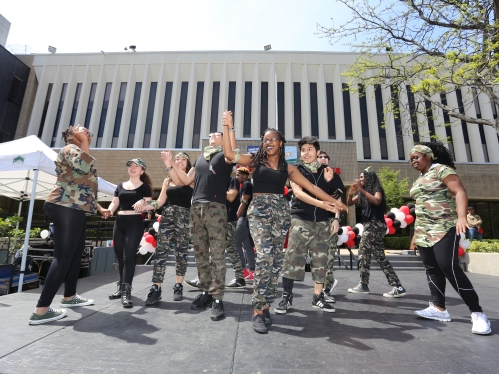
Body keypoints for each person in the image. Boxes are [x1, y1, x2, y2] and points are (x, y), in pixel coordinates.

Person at [222, 111, 346, 334]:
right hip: (259, 211)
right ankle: (258, 310)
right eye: (265, 139)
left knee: (276, 261)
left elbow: (313, 188)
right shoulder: (254, 161)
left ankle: (267, 304)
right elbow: (230, 154)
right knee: (265, 257)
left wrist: (333, 204)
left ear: (281, 143)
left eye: (272, 139)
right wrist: (228, 127)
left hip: (280, 213)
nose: (268, 142)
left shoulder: (288, 168)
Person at [29, 125, 109, 325]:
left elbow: (80, 183)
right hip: (66, 206)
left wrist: (98, 207)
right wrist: (82, 141)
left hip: (74, 206)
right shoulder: (70, 148)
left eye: (88, 132)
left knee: (75, 252)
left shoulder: (77, 150)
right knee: (64, 257)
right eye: (82, 130)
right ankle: (41, 310)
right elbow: (83, 167)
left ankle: (70, 296)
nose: (87, 132)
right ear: (71, 135)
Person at [409, 142, 491, 335]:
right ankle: (439, 308)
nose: (413, 161)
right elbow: (421, 207)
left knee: (448, 267)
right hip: (423, 230)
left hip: (443, 226)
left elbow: (460, 192)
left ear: (429, 156)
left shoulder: (441, 170)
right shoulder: (420, 178)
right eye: (411, 159)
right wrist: (415, 235)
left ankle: (477, 313)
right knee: (431, 268)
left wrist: (462, 217)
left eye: (417, 157)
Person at [161, 130, 234, 322]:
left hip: (216, 208)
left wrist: (228, 128)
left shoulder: (225, 156)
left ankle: (217, 298)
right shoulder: (201, 158)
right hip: (196, 208)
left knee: (217, 254)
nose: (212, 136)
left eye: (216, 135)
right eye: (210, 135)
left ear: (223, 139)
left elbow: (231, 150)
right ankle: (206, 292)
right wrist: (169, 164)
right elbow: (183, 180)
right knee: (200, 253)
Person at [275, 137, 342, 315]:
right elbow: (298, 193)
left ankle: (317, 298)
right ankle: (286, 298)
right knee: (292, 259)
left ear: (318, 152)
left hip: (322, 222)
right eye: (303, 150)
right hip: (300, 219)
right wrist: (321, 203)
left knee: (321, 261)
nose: (306, 153)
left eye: (310, 149)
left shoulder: (328, 172)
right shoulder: (295, 170)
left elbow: (336, 199)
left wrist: (336, 218)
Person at [141, 152, 193, 306]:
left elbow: (185, 184)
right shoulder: (167, 180)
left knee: (181, 252)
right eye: (177, 159)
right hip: (168, 217)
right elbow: (160, 201)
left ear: (188, 163)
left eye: (183, 159)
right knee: (161, 252)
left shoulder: (191, 178)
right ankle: (156, 288)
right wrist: (145, 206)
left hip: (184, 218)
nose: (180, 161)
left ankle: (178, 285)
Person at [347, 168, 407, 298]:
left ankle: (363, 285)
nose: (360, 179)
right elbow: (349, 203)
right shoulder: (362, 193)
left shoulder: (376, 189)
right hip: (370, 225)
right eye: (360, 177)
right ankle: (398, 286)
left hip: (375, 225)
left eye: (362, 177)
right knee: (380, 257)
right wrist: (351, 193)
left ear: (369, 178)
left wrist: (361, 189)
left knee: (363, 253)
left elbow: (377, 201)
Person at [106, 158, 153, 308]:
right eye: (131, 166)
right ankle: (121, 288)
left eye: (136, 166)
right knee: (119, 255)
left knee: (129, 257)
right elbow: (115, 202)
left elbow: (149, 203)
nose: (132, 168)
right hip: (119, 222)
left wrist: (143, 202)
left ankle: (127, 291)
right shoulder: (120, 186)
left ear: (142, 170)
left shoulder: (144, 187)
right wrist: (110, 210)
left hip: (134, 223)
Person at [317, 151, 345, 303]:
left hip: (329, 221)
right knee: (318, 259)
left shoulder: (335, 176)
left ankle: (326, 289)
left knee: (328, 257)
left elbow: (338, 199)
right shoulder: (312, 176)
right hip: (314, 222)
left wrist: (336, 219)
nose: (322, 158)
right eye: (320, 156)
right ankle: (319, 289)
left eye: (325, 157)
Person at [234, 167, 256, 282]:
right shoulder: (244, 185)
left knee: (235, 242)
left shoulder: (247, 184)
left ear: (245, 175)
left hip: (244, 218)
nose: (236, 177)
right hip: (247, 218)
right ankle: (252, 271)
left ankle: (243, 269)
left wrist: (236, 216)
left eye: (238, 175)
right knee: (247, 246)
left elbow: (244, 203)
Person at [225, 174, 246, 289]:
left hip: (228, 220)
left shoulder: (232, 180)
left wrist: (214, 188)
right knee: (230, 248)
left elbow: (231, 197)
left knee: (230, 248)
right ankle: (240, 278)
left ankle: (240, 278)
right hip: (219, 220)